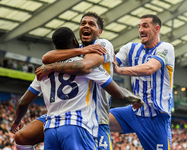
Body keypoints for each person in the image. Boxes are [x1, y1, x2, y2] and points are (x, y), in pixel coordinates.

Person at [11, 27, 143, 150]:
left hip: (50, 129)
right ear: (75, 41)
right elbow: (119, 94)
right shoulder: (85, 66)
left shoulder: (43, 71)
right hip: (75, 126)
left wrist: (16, 122)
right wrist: (136, 99)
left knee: (21, 138)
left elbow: (23, 102)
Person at [35, 11, 116, 150]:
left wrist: (51, 67)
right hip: (74, 120)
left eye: (91, 24)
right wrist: (80, 51)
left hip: (98, 120)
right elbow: (46, 57)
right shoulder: (76, 51)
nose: (86, 26)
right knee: (22, 136)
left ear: (99, 31)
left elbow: (85, 65)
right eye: (83, 23)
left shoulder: (103, 44)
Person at [109, 14, 175, 150]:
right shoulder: (130, 48)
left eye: (145, 26)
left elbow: (150, 68)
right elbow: (110, 65)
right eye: (139, 26)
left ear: (157, 29)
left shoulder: (166, 48)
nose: (140, 30)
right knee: (97, 120)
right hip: (134, 113)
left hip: (157, 118)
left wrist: (120, 70)